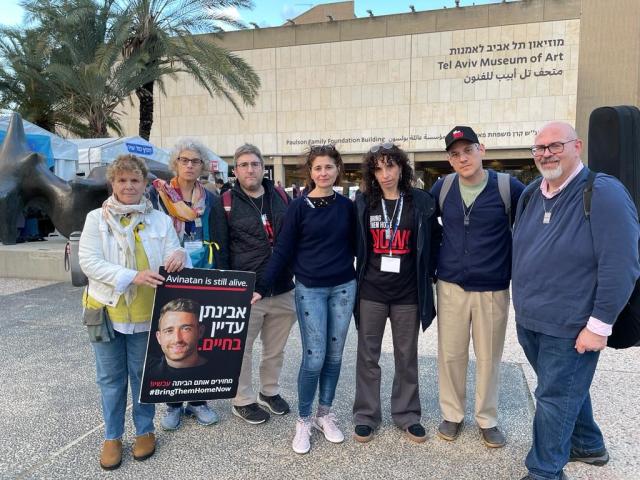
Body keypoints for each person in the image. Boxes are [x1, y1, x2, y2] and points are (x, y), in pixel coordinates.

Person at [512, 122, 640, 480]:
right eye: (539, 148)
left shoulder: (602, 192)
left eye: (555, 145)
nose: (546, 154)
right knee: (565, 389)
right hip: (532, 321)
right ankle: (587, 444)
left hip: (572, 327)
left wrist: (599, 327)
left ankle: (544, 471)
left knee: (553, 398)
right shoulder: (532, 192)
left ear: (577, 146)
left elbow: (622, 265)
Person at [78, 154, 187, 470]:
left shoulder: (160, 220)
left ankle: (144, 429)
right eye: (122, 180)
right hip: (107, 312)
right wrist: (133, 276)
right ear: (112, 183)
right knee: (111, 379)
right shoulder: (95, 220)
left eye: (134, 180)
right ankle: (112, 437)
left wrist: (179, 254)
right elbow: (90, 263)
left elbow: (172, 252)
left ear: (144, 184)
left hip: (146, 313)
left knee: (143, 377)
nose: (128, 186)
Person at [253, 144, 356, 455]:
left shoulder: (348, 207)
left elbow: (359, 247)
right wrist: (262, 286)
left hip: (343, 288)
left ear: (338, 169)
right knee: (314, 356)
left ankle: (325, 414)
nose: (323, 173)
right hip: (310, 289)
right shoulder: (298, 207)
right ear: (310, 173)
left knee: (335, 357)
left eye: (328, 167)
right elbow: (282, 250)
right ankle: (304, 419)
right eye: (317, 168)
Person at [430, 126, 525, 448]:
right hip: (451, 285)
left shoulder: (507, 186)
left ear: (481, 150)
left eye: (468, 150)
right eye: (455, 154)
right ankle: (452, 414)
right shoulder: (442, 188)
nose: (462, 158)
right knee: (451, 354)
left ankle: (487, 418)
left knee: (488, 357)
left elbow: (527, 231)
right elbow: (429, 229)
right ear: (449, 159)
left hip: (492, 287)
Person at [352, 143, 441, 443]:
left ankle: (406, 414)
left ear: (401, 168)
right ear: (371, 173)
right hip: (372, 292)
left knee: (406, 356)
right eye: (378, 168)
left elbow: (435, 244)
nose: (385, 174)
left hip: (407, 294)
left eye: (390, 166)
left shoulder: (420, 202)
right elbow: (355, 244)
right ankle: (366, 415)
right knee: (367, 356)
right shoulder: (364, 202)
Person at [148, 138, 229, 431]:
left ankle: (198, 401)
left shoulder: (211, 198)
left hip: (203, 269)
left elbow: (220, 235)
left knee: (197, 336)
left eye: (196, 161)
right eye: (185, 160)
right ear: (175, 163)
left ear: (202, 166)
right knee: (173, 337)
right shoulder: (157, 195)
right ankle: (172, 403)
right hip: (168, 271)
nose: (190, 165)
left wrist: (223, 272)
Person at [225, 143, 297, 425]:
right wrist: (228, 288)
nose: (250, 169)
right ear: (235, 170)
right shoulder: (227, 202)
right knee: (242, 349)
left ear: (263, 167)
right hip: (247, 290)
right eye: (243, 165)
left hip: (282, 288)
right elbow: (221, 249)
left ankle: (269, 391)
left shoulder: (279, 196)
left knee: (275, 349)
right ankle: (242, 400)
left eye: (254, 164)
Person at [148, 298, 208, 379]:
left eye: (186, 329)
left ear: (200, 332)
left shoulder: (222, 373)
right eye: (169, 331)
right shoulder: (147, 375)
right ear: (159, 337)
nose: (177, 339)